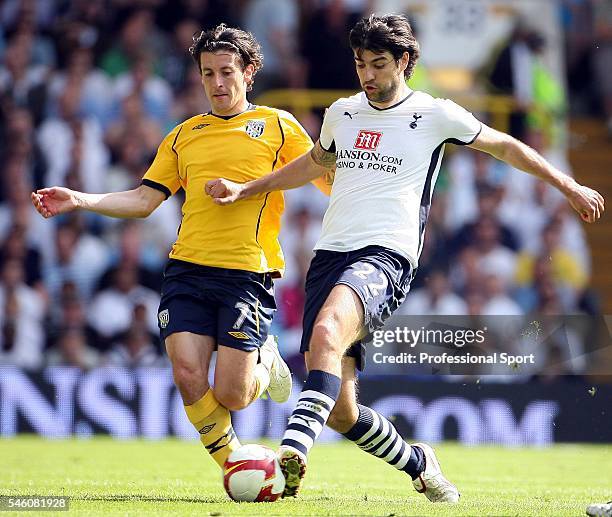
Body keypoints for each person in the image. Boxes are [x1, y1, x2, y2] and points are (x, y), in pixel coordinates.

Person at [206, 14, 605, 501]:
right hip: (329, 256)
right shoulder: (342, 113)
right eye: (360, 64)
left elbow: (505, 146)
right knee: (342, 410)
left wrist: (569, 186)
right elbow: (313, 164)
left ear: (405, 61)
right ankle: (419, 463)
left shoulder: (435, 114)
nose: (367, 75)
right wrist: (247, 189)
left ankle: (291, 454)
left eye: (378, 64)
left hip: (385, 256)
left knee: (329, 332)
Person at [31, 24, 331, 471]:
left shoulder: (279, 127)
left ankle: (266, 362)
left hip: (246, 274)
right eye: (208, 74)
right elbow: (144, 199)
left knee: (233, 394)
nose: (217, 83)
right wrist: (80, 199)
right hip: (188, 269)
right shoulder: (183, 134)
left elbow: (326, 178)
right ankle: (236, 466)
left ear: (249, 73)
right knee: (188, 372)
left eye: (227, 72)